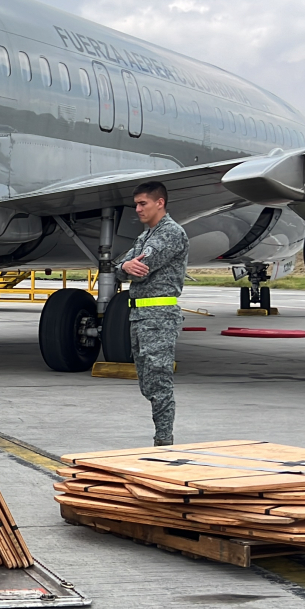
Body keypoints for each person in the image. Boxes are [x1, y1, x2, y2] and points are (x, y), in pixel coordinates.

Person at [116, 181, 189, 447]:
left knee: (158, 380)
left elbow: (143, 265)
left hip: (158, 316)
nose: (137, 209)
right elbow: (118, 267)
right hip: (141, 316)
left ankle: (164, 441)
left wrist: (127, 266)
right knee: (147, 380)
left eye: (142, 203)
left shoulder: (170, 233)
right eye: (136, 204)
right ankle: (162, 436)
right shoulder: (145, 236)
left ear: (160, 203)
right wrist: (125, 265)